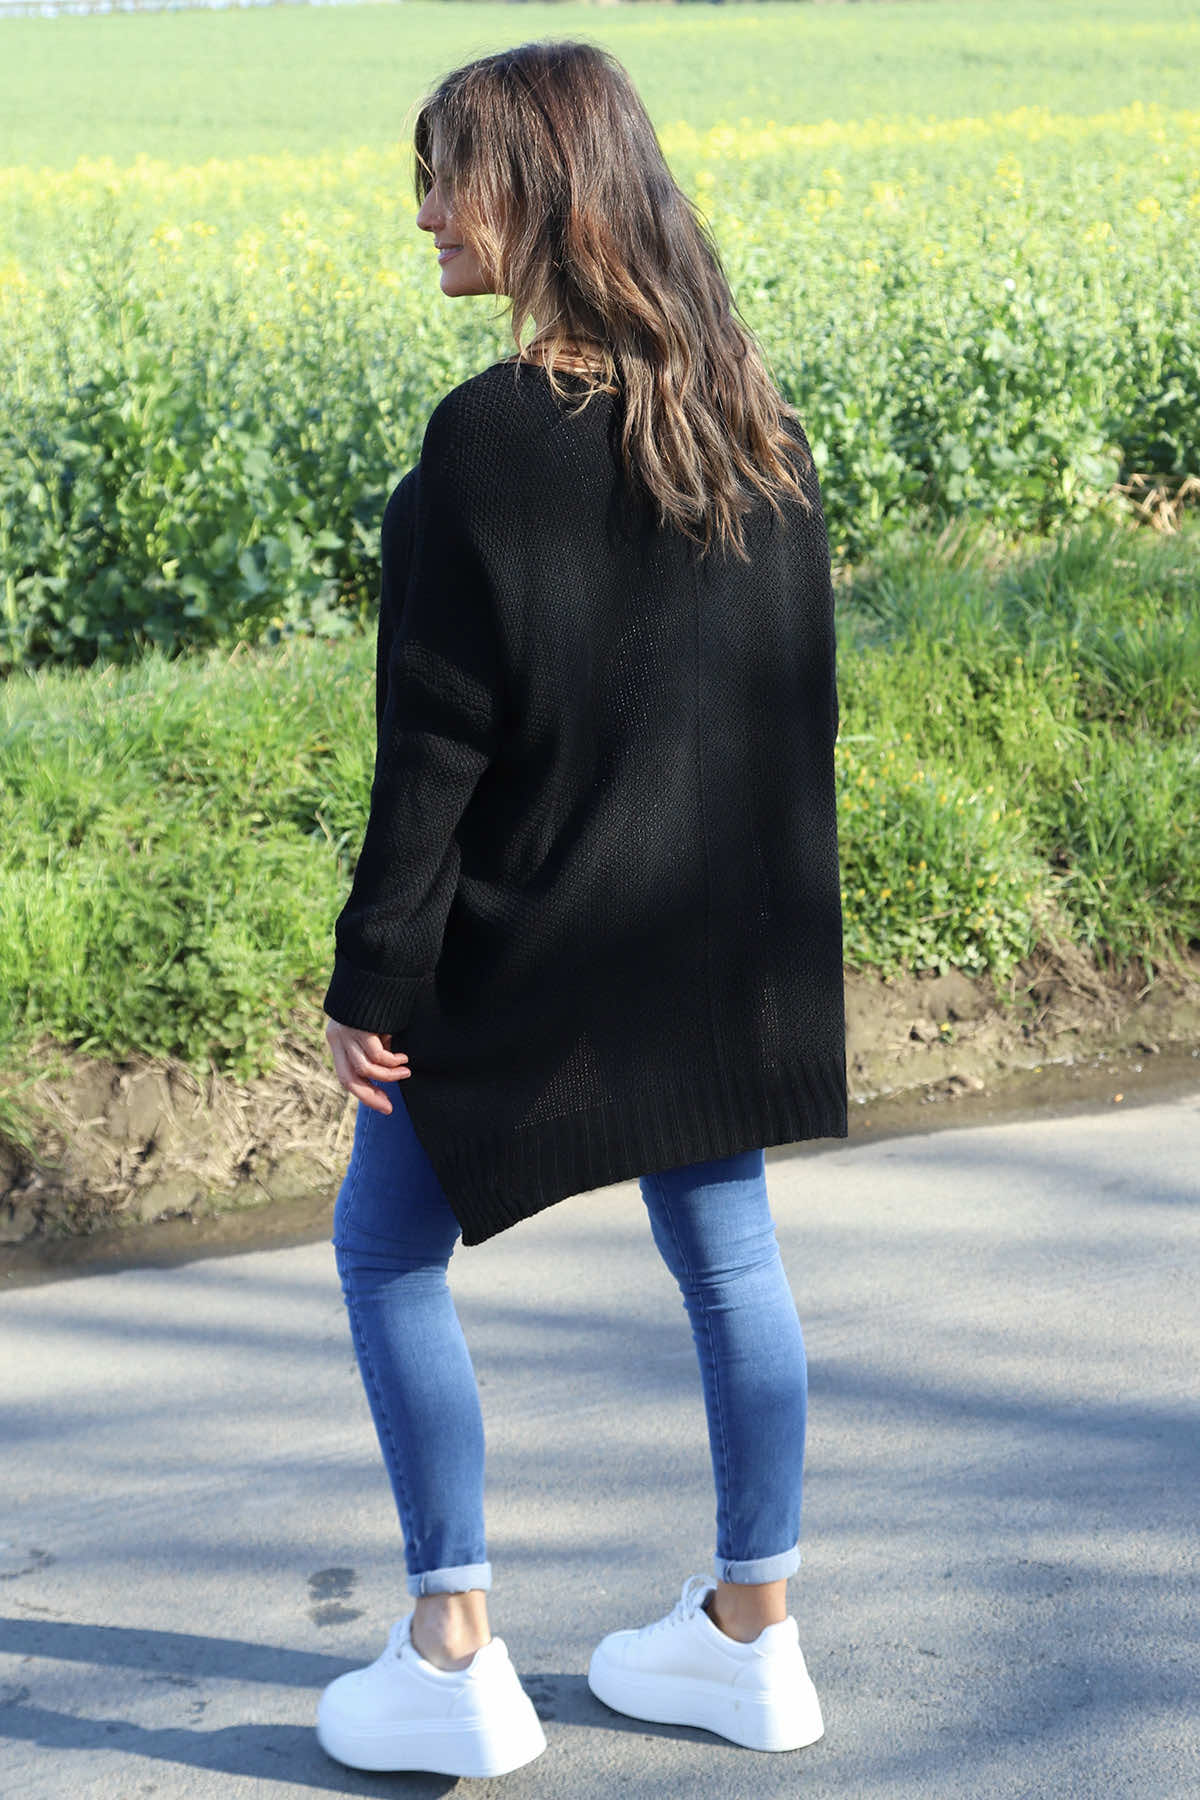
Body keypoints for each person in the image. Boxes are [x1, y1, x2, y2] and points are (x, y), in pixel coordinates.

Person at [318, 39, 846, 1781]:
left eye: (445, 177)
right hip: (714, 943)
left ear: (539, 188)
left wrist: (374, 976)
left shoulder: (487, 436)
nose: (423, 215)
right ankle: (753, 1635)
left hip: (538, 942)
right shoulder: (748, 418)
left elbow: (439, 743)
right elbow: (790, 712)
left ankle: (452, 1653)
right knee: (732, 1259)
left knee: (384, 1252)